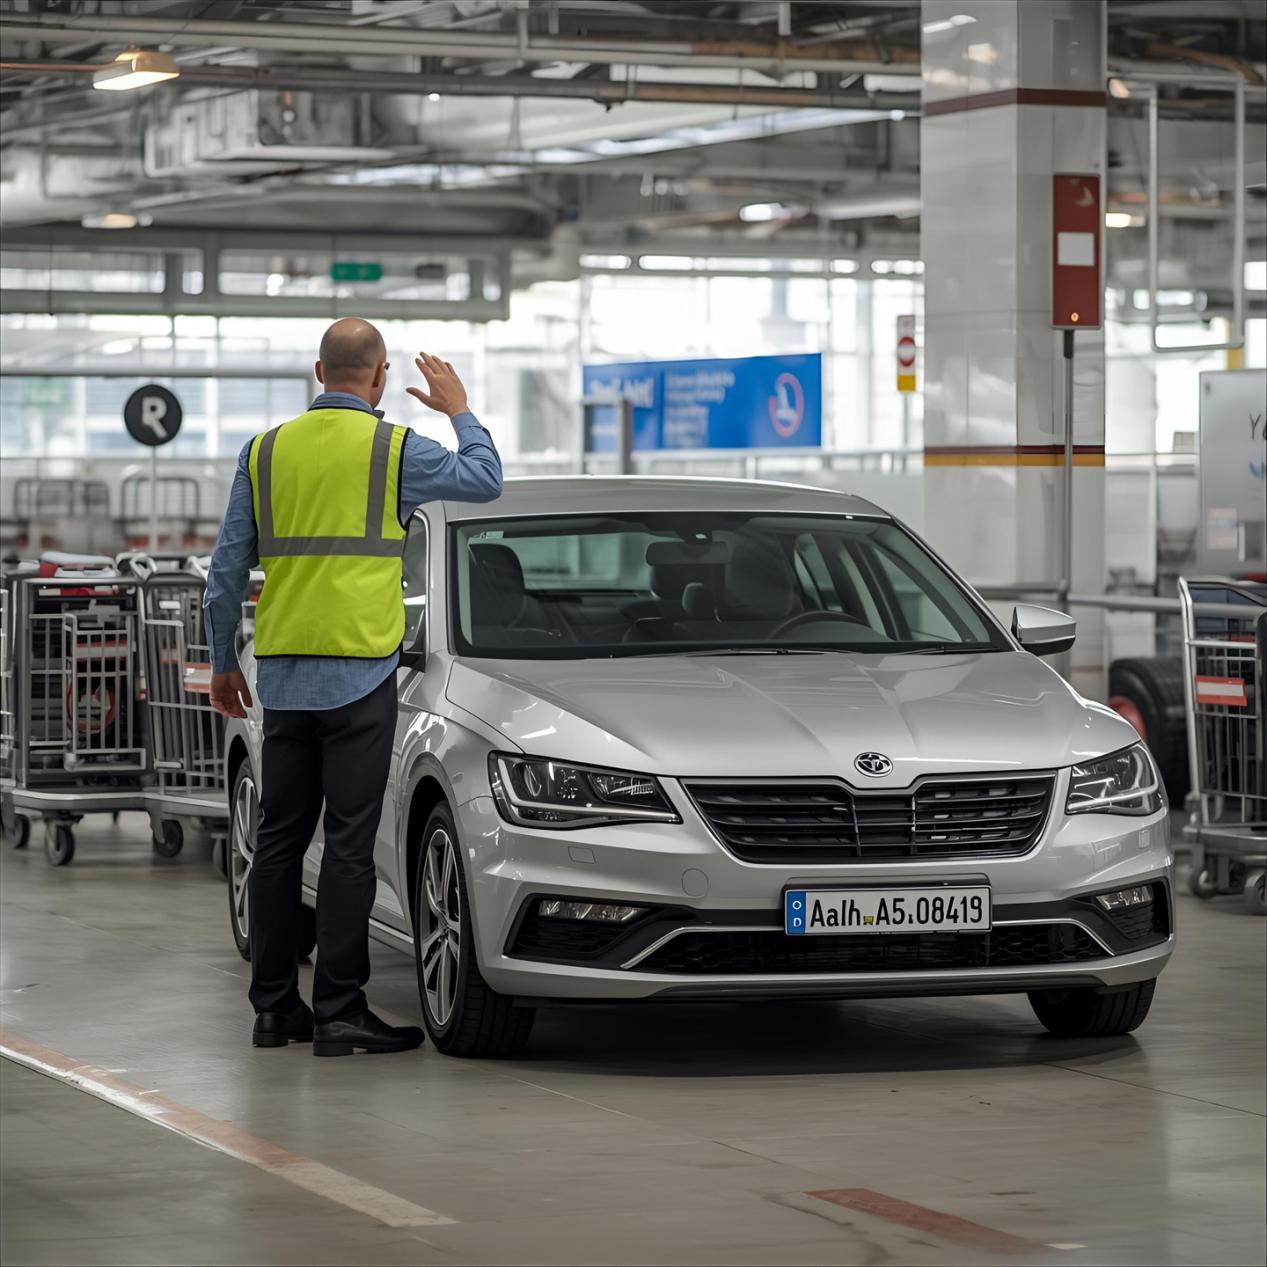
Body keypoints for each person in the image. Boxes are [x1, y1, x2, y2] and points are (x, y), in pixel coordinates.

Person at [204, 317, 502, 1056]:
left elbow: (225, 571)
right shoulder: (394, 448)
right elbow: (485, 480)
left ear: (318, 372)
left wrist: (222, 661)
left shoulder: (263, 451)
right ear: (378, 376)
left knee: (278, 839)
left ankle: (274, 1009)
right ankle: (339, 1010)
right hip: (361, 674)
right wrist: (458, 408)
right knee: (347, 844)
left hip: (282, 675)